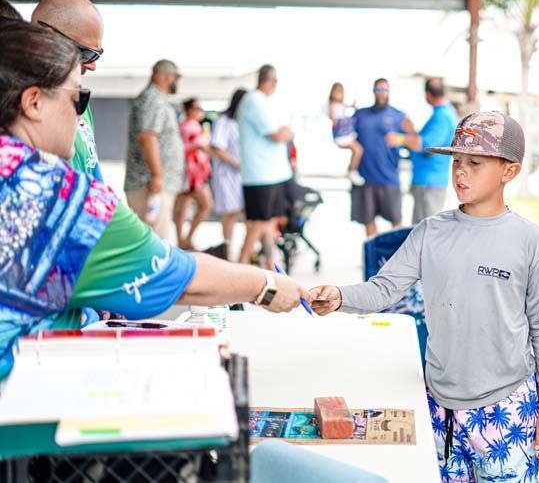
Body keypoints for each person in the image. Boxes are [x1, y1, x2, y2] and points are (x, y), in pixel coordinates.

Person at [0, 21, 310, 379]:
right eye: (77, 99)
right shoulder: (59, 199)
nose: (81, 114)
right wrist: (267, 286)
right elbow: (181, 275)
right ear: (33, 102)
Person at [310, 112, 539, 482]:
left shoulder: (529, 241)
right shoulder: (431, 232)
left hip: (507, 407)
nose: (461, 171)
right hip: (439, 404)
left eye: (475, 163)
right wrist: (338, 296)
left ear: (509, 172)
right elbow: (383, 289)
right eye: (457, 161)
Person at [31, 0, 105, 182]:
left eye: (97, 55)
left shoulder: (80, 102)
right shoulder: (13, 107)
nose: (92, 65)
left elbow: (95, 181)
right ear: (47, 37)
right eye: (86, 53)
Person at [236, 64, 295, 267]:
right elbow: (278, 134)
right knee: (259, 222)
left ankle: (270, 264)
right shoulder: (254, 100)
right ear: (271, 81)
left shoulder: (262, 101)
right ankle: (242, 263)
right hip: (260, 174)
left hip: (272, 174)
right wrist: (287, 132)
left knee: (269, 221)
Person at [124, 59, 185, 240]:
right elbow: (147, 137)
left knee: (157, 239)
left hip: (153, 184)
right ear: (168, 77)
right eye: (176, 78)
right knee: (156, 243)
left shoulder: (156, 98)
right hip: (149, 185)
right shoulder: (153, 98)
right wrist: (158, 176)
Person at [388, 77, 458, 224]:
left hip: (430, 182)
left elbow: (426, 144)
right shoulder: (445, 113)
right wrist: (411, 131)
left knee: (425, 231)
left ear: (427, 95)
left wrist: (399, 139)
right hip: (430, 180)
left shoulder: (442, 116)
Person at [350, 78, 413, 236]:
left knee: (396, 224)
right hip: (366, 179)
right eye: (378, 89)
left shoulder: (399, 116)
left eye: (385, 90)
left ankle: (398, 260)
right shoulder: (360, 115)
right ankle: (373, 259)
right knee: (369, 223)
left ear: (389, 92)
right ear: (374, 91)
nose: (382, 93)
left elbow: (414, 142)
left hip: (389, 178)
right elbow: (343, 136)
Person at [210, 89, 247, 255]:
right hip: (226, 174)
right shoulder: (223, 121)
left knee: (247, 213)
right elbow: (217, 148)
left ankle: (247, 250)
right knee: (230, 213)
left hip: (242, 175)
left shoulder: (242, 121)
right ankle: (227, 251)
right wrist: (238, 163)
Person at [174, 97, 213, 250]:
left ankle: (182, 240)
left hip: (188, 173)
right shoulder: (191, 126)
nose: (200, 112)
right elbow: (201, 147)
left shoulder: (186, 125)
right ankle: (186, 239)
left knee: (183, 207)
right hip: (192, 175)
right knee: (205, 205)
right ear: (189, 110)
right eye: (197, 108)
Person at [328, 82, 364, 186]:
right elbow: (334, 119)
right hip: (341, 136)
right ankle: (352, 171)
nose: (338, 94)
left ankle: (351, 169)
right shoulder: (333, 106)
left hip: (345, 134)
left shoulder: (340, 105)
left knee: (357, 149)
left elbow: (347, 107)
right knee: (358, 150)